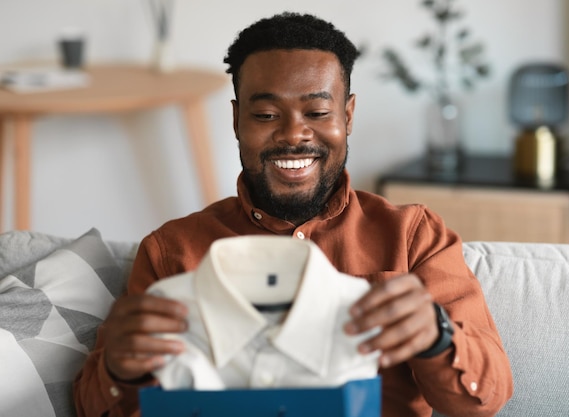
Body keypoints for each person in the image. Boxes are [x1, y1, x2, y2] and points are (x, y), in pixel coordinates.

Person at [73, 11, 513, 417]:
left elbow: (486, 397)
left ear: (348, 115)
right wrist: (122, 370)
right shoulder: (172, 252)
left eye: (318, 112)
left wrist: (435, 336)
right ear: (236, 121)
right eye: (265, 114)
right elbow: (95, 405)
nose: (293, 134)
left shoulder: (413, 235)